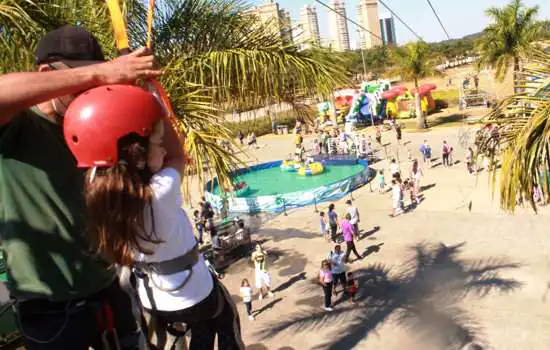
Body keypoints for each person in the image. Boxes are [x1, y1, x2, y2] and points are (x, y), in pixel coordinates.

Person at [0, 25, 161, 349]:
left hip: (107, 291)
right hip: (50, 312)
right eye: (82, 78)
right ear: (46, 73)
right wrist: (100, 74)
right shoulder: (19, 127)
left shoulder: (94, 123)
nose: (90, 89)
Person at [63, 84, 245, 349]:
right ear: (138, 157)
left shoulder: (97, 190)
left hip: (153, 299)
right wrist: (152, 98)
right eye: (156, 144)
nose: (161, 149)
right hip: (192, 293)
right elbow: (177, 156)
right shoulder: (160, 192)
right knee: (222, 317)